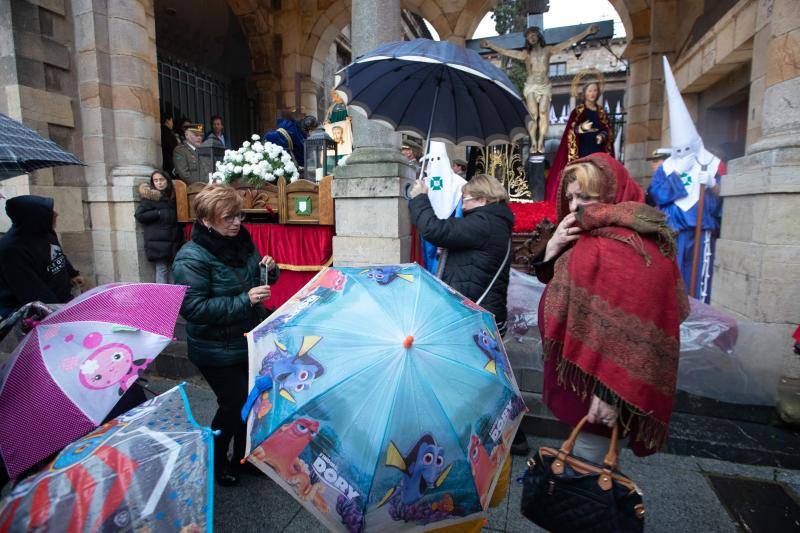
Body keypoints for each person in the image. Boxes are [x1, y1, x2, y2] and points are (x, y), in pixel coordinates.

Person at [534, 153, 689, 462]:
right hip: (577, 370)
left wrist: (610, 393)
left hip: (602, 384)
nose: (576, 205)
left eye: (586, 196)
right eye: (571, 197)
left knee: (588, 468)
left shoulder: (634, 243)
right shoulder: (588, 229)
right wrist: (552, 248)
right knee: (583, 461)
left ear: (612, 192)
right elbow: (555, 278)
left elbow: (641, 327)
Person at [172, 185, 279, 486]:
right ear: (207, 220)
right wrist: (246, 300)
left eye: (239, 216)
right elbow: (193, 308)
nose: (236, 223)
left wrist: (269, 270)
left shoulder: (241, 241)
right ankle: (217, 462)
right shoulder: (191, 257)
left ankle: (242, 458)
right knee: (233, 404)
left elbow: (254, 278)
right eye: (228, 218)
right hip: (214, 347)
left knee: (252, 399)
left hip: (246, 339)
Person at [648, 57, 722, 303]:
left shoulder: (711, 162)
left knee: (698, 276)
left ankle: (699, 309)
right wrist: (677, 179)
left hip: (701, 231)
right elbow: (657, 195)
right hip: (674, 230)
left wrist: (713, 184)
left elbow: (723, 196)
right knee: (671, 276)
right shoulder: (668, 167)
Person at [409, 174, 513, 333]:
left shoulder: (484, 222)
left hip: (475, 319)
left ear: (483, 199)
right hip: (483, 313)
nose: (462, 205)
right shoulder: (494, 221)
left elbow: (434, 230)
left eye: (466, 198)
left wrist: (419, 198)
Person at [481, 24, 598, 153]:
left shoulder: (548, 50)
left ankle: (541, 140)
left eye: (534, 34)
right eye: (529, 36)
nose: (531, 37)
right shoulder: (526, 54)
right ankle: (533, 142)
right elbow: (507, 52)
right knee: (533, 115)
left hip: (544, 86)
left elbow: (568, 43)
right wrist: (491, 46)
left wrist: (586, 32)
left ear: (538, 36)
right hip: (531, 86)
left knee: (543, 112)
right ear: (527, 39)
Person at [0, 195, 83, 319]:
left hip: (60, 305)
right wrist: (58, 314)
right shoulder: (11, 250)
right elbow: (32, 292)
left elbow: (57, 254)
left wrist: (72, 274)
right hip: (35, 315)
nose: (56, 214)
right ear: (35, 216)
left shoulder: (45, 231)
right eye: (50, 212)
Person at [546, 80, 615, 202]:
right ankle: (580, 197)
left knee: (595, 176)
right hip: (582, 150)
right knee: (582, 175)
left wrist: (602, 136)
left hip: (597, 150)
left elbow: (608, 130)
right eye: (590, 91)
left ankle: (595, 199)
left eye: (595, 90)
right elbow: (571, 131)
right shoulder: (578, 112)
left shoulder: (602, 113)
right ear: (585, 94)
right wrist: (582, 128)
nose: (592, 93)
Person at [134, 170, 182, 284]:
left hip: (172, 239)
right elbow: (139, 215)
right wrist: (158, 213)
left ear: (167, 181)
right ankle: (161, 298)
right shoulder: (150, 198)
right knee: (162, 269)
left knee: (172, 268)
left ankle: (172, 297)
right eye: (156, 180)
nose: (159, 183)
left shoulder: (172, 197)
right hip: (158, 242)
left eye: (161, 180)